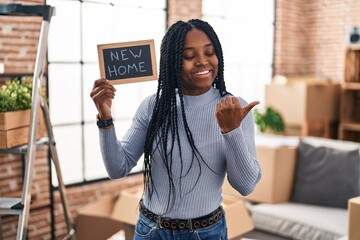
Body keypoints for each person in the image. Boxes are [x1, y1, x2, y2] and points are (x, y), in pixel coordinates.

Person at [90, 19, 261, 240]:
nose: (202, 62)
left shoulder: (234, 109)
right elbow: (117, 168)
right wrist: (105, 118)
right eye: (189, 56)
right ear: (172, 62)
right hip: (152, 231)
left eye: (209, 53)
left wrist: (231, 131)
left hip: (207, 233)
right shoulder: (154, 106)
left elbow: (246, 185)